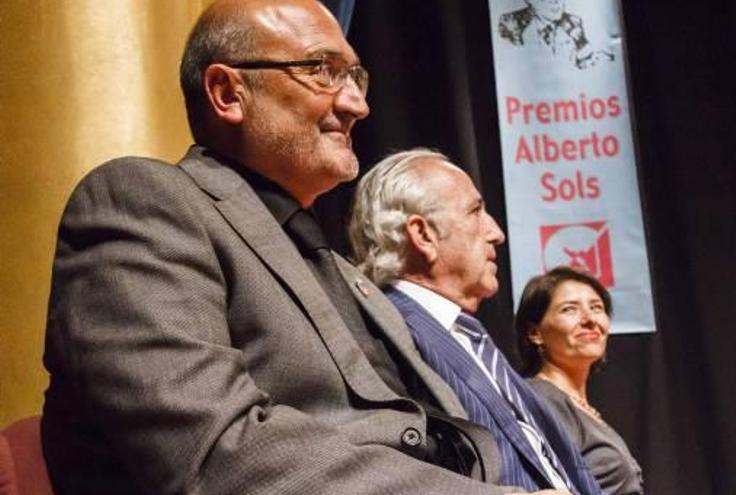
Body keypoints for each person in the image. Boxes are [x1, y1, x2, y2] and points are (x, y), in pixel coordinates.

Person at [40, 1, 549, 494]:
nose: (356, 104)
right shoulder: (142, 200)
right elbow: (218, 452)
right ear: (227, 92)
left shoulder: (334, 265)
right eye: (322, 70)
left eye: (355, 76)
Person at [348, 149, 603, 495]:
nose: (496, 232)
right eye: (475, 211)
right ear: (423, 235)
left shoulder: (466, 332)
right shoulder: (390, 332)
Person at [515, 266, 644, 495]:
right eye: (569, 309)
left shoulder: (583, 408)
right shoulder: (540, 398)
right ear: (535, 333)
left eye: (597, 308)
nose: (589, 319)